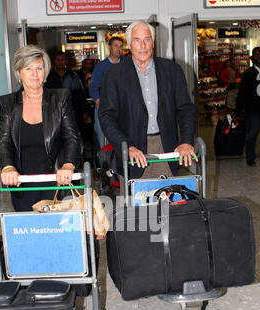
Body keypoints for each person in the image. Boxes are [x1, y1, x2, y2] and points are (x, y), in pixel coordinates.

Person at [98, 21, 197, 187]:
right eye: (137, 40)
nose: (143, 45)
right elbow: (106, 116)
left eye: (147, 39)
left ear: (153, 42)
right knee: (136, 210)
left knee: (168, 205)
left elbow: (185, 109)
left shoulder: (172, 70)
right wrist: (126, 146)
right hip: (132, 148)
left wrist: (186, 141)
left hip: (165, 147)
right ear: (129, 44)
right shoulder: (115, 74)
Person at [0, 45, 81, 211]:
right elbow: (4, 141)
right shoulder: (7, 103)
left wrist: (68, 165)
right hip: (24, 186)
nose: (35, 74)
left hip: (58, 182)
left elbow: (72, 137)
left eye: (39, 68)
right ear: (19, 73)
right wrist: (8, 167)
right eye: (28, 68)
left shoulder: (60, 98)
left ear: (45, 71)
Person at [45, 51, 91, 145]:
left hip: (73, 111)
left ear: (66, 61)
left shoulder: (73, 75)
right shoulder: (48, 76)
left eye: (62, 60)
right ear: (54, 61)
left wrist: (84, 112)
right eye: (58, 60)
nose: (60, 62)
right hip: (54, 112)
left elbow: (81, 94)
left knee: (74, 135)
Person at [89, 36, 124, 155]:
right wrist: (98, 100)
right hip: (105, 106)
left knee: (121, 135)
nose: (118, 49)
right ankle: (102, 165)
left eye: (120, 46)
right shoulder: (101, 66)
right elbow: (93, 87)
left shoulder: (126, 63)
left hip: (122, 107)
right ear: (109, 47)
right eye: (116, 46)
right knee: (101, 137)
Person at [235, 47, 260, 166]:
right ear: (252, 58)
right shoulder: (248, 74)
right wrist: (237, 111)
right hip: (254, 111)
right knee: (251, 135)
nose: (258, 56)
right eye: (256, 54)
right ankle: (250, 158)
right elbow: (242, 93)